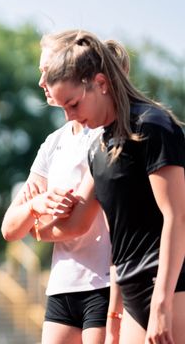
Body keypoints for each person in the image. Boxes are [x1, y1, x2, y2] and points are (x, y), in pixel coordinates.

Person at [38, 29, 185, 343]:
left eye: (74, 104)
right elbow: (117, 235)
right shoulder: (98, 147)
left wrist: (162, 303)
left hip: (173, 289)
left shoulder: (152, 125)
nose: (69, 116)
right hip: (131, 293)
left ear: (101, 84)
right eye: (63, 107)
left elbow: (177, 218)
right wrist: (114, 312)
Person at [1, 32, 128, 343]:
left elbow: (78, 224)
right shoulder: (53, 143)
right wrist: (35, 207)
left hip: (103, 283)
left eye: (47, 70)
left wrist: (40, 229)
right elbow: (9, 228)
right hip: (62, 285)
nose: (42, 80)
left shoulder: (104, 136)